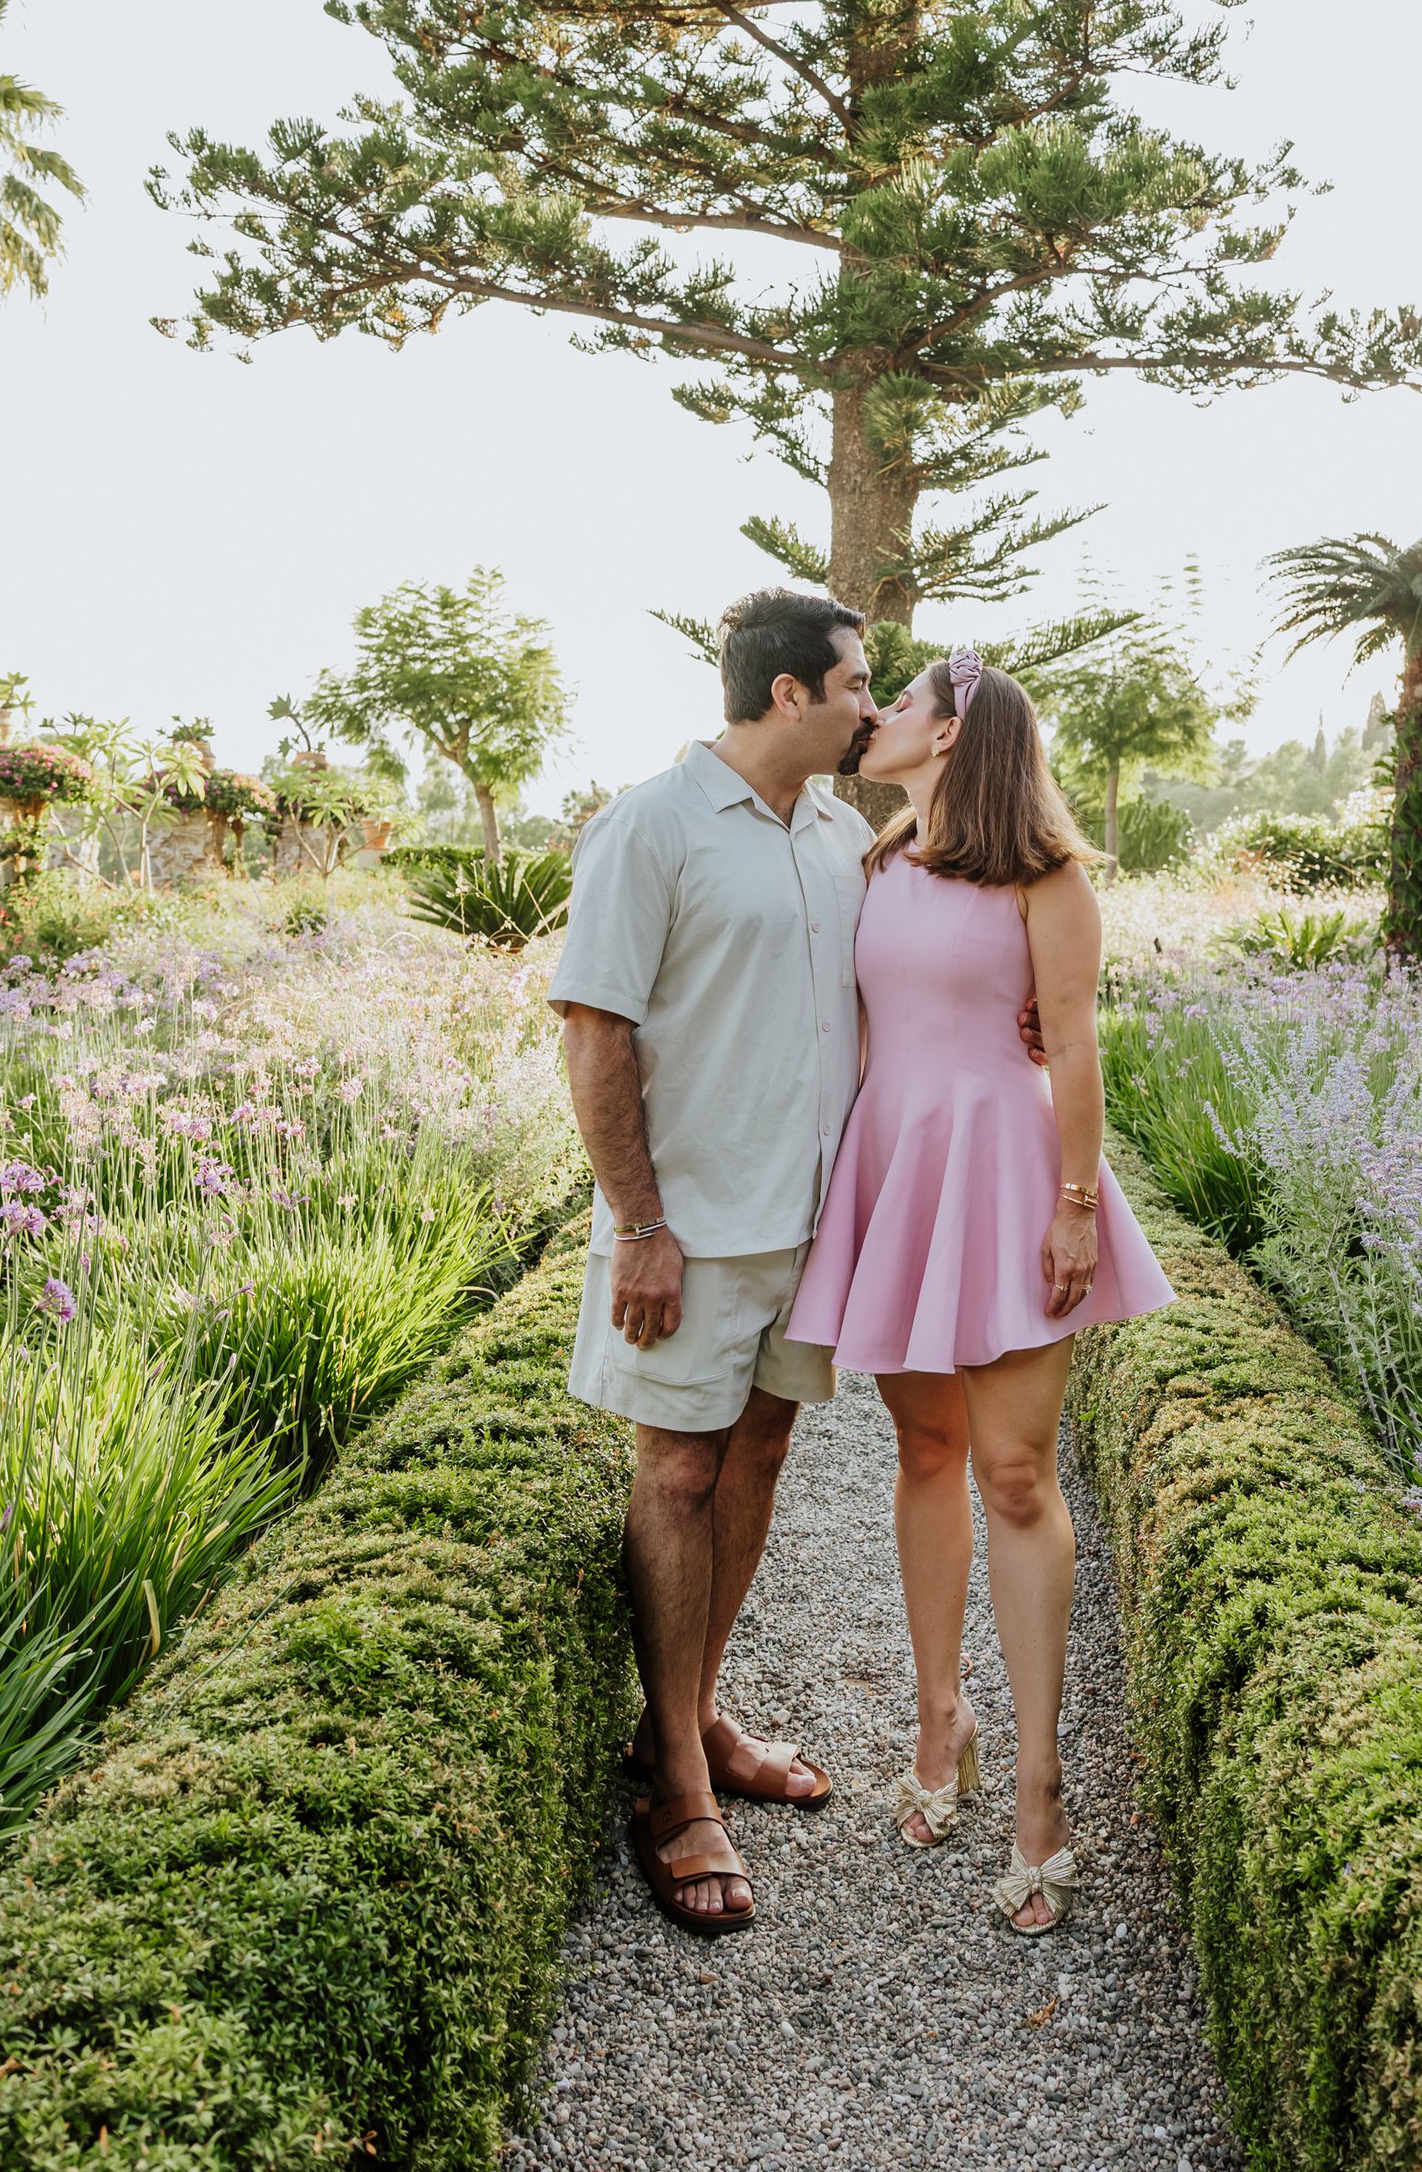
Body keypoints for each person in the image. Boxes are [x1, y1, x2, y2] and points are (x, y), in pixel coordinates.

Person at [787, 646, 1174, 1935]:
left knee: (1015, 1474)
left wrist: (1076, 1205)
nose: (880, 715)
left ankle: (1040, 1777)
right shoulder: (876, 860)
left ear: (954, 735)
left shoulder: (1046, 875)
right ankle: (938, 1709)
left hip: (1009, 1178)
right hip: (898, 1165)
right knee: (925, 1449)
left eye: (903, 704)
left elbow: (1071, 1043)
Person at [550, 588, 881, 1933]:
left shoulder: (841, 837)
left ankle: (684, 1721)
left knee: (759, 1456)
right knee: (678, 1469)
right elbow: (593, 1032)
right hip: (690, 1230)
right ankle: (678, 1787)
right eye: (858, 682)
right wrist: (639, 1223)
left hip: (811, 1222)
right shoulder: (651, 826)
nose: (872, 703)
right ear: (789, 692)